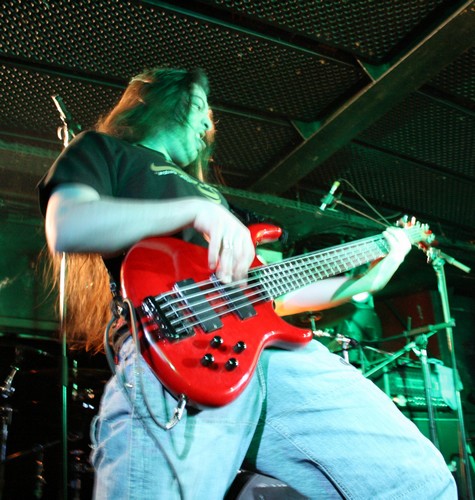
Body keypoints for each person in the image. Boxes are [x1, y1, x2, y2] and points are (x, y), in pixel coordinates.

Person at [38, 67, 456, 499]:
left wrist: (377, 271)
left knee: (419, 482)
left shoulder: (213, 196)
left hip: (272, 354)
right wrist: (195, 212)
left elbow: (272, 294)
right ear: (159, 99)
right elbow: (69, 225)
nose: (207, 124)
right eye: (199, 106)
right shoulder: (104, 150)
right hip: (176, 354)